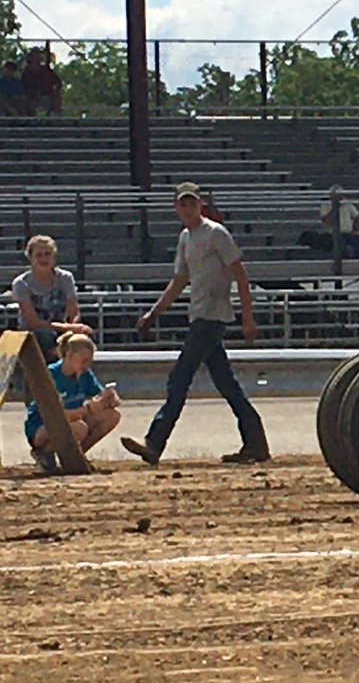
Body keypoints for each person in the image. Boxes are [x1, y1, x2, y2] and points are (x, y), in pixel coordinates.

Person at [120, 181, 271, 466]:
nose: (187, 207)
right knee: (227, 384)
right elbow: (179, 281)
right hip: (201, 315)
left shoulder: (216, 233)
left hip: (211, 317)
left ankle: (155, 441)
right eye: (182, 203)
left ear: (201, 204)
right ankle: (256, 443)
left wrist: (247, 317)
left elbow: (240, 274)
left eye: (192, 202)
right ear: (176, 208)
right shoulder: (186, 239)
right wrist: (154, 313)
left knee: (180, 378)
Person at [25, 331, 121, 474]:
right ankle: (44, 452)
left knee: (112, 416)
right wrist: (87, 410)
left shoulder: (84, 374)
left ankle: (76, 456)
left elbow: (98, 393)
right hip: (42, 426)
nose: (87, 365)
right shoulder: (51, 375)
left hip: (73, 420)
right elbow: (53, 416)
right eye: (83, 361)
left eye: (89, 361)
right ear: (69, 356)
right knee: (79, 428)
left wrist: (109, 399)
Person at [11, 234, 93, 361]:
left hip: (61, 329)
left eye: (47, 254)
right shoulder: (21, 283)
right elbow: (33, 322)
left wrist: (74, 329)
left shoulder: (65, 278)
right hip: (34, 334)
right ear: (30, 258)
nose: (44, 258)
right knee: (45, 336)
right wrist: (69, 328)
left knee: (84, 335)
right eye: (39, 255)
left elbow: (74, 311)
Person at [299, 185, 359, 259]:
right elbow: (327, 221)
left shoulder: (348, 204)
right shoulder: (325, 205)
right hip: (332, 234)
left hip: (347, 233)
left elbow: (357, 217)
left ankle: (358, 259)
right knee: (339, 244)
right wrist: (336, 207)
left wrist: (355, 229)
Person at [21, 49, 63, 116]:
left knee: (52, 101)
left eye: (38, 56)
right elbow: (23, 88)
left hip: (47, 97)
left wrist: (56, 93)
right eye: (34, 56)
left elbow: (58, 82)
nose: (37, 58)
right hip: (31, 99)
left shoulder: (46, 71)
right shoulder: (26, 73)